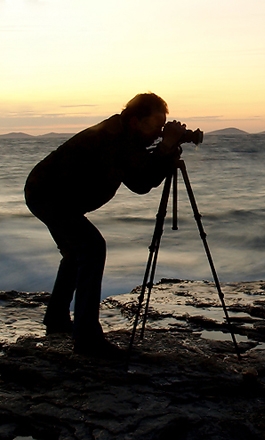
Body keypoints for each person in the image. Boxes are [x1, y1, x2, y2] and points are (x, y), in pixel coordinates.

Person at [24, 93, 187, 357]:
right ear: (136, 121)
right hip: (47, 193)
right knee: (92, 248)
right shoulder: (113, 137)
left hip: (53, 194)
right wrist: (165, 148)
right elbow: (140, 182)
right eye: (156, 124)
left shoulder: (125, 136)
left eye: (163, 126)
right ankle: (86, 338)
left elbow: (141, 178)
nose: (159, 131)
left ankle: (57, 321)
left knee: (76, 253)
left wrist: (166, 150)